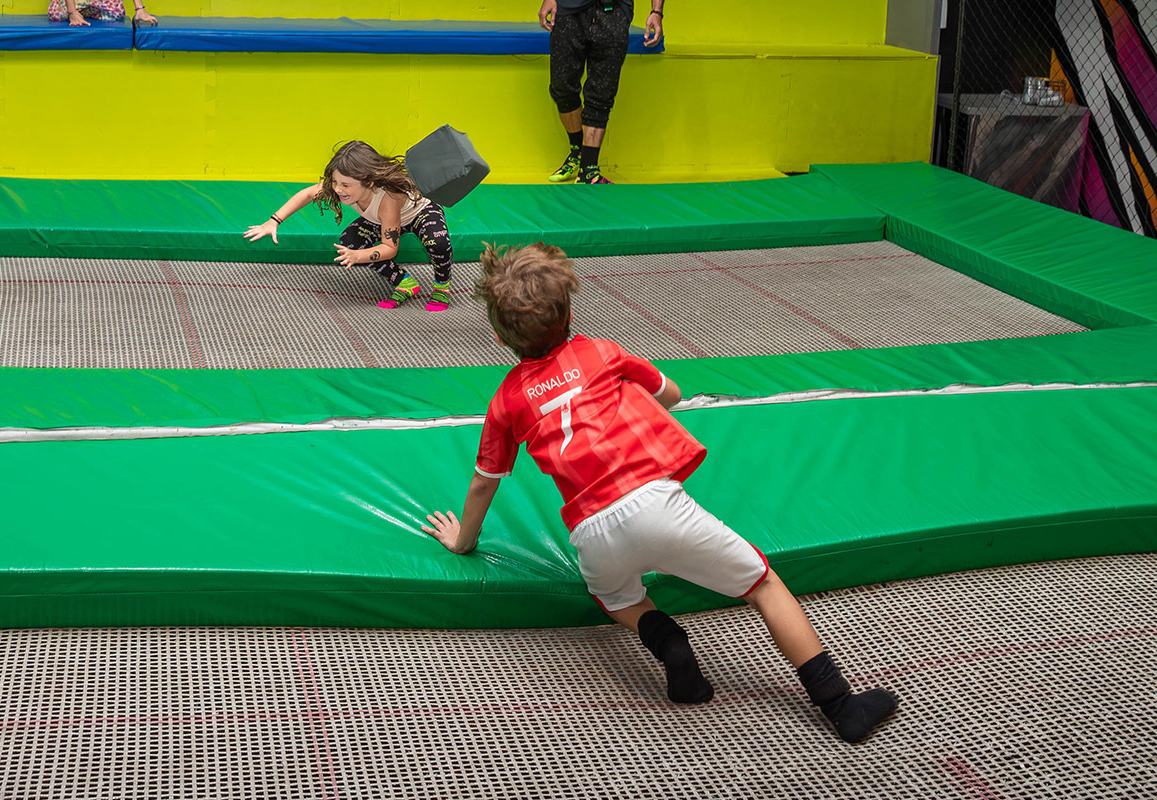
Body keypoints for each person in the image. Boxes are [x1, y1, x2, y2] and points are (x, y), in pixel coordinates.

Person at [422, 242, 899, 743]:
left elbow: (485, 480)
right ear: (567, 314)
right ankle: (840, 704)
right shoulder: (601, 352)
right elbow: (670, 395)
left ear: (500, 338)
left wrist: (464, 541)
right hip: (656, 503)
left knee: (616, 597)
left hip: (591, 530)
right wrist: (624, 390)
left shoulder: (507, 400)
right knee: (763, 586)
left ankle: (668, 641)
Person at [243, 141, 454, 311]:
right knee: (351, 241)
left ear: (369, 182)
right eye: (335, 182)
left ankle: (442, 286)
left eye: (346, 185)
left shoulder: (388, 199)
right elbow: (307, 194)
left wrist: (357, 257)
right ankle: (405, 282)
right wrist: (274, 221)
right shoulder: (341, 187)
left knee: (439, 243)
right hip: (380, 220)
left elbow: (390, 248)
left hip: (418, 214)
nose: (338, 190)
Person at [538, 0, 665, 184]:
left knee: (601, 92)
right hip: (569, 11)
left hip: (614, 12)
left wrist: (657, 12)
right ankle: (578, 151)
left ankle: (588, 171)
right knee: (562, 86)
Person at [49, 0, 158, 26]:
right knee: (56, 14)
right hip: (70, 3)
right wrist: (72, 11)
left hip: (95, 3)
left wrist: (140, 9)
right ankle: (78, 11)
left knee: (118, 12)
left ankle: (88, 9)